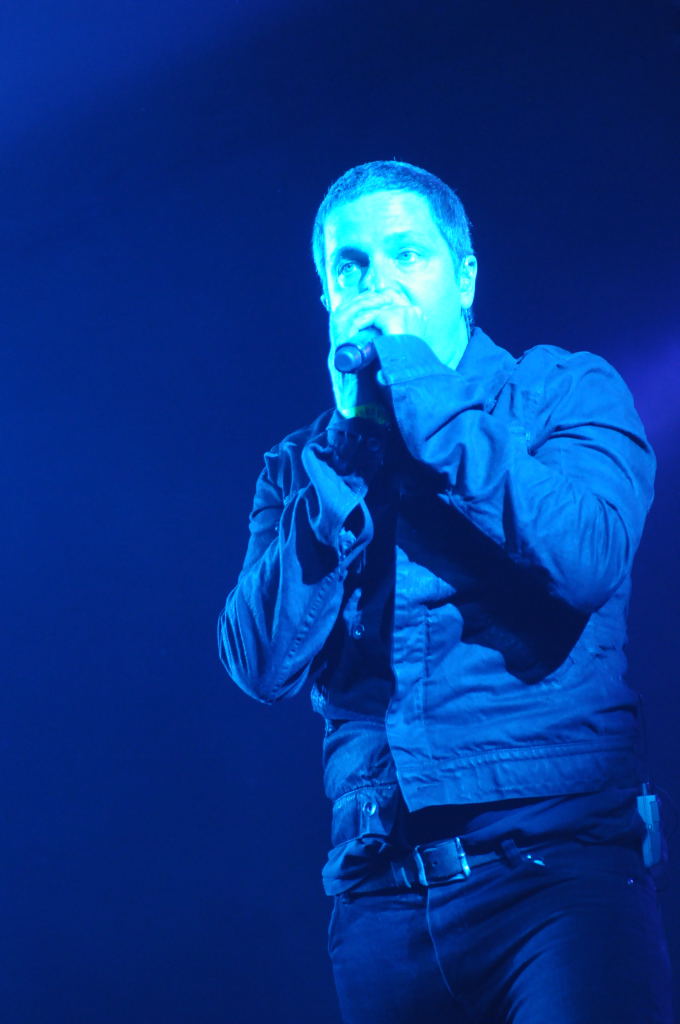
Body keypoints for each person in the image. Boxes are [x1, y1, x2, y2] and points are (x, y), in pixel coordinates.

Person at [218, 160, 672, 1023]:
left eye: (407, 255)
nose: (378, 283)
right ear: (326, 296)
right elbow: (258, 661)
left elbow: (587, 555)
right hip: (381, 902)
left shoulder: (562, 391)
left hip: (556, 877)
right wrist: (349, 450)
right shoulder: (301, 465)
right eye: (351, 265)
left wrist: (419, 386)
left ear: (464, 279)